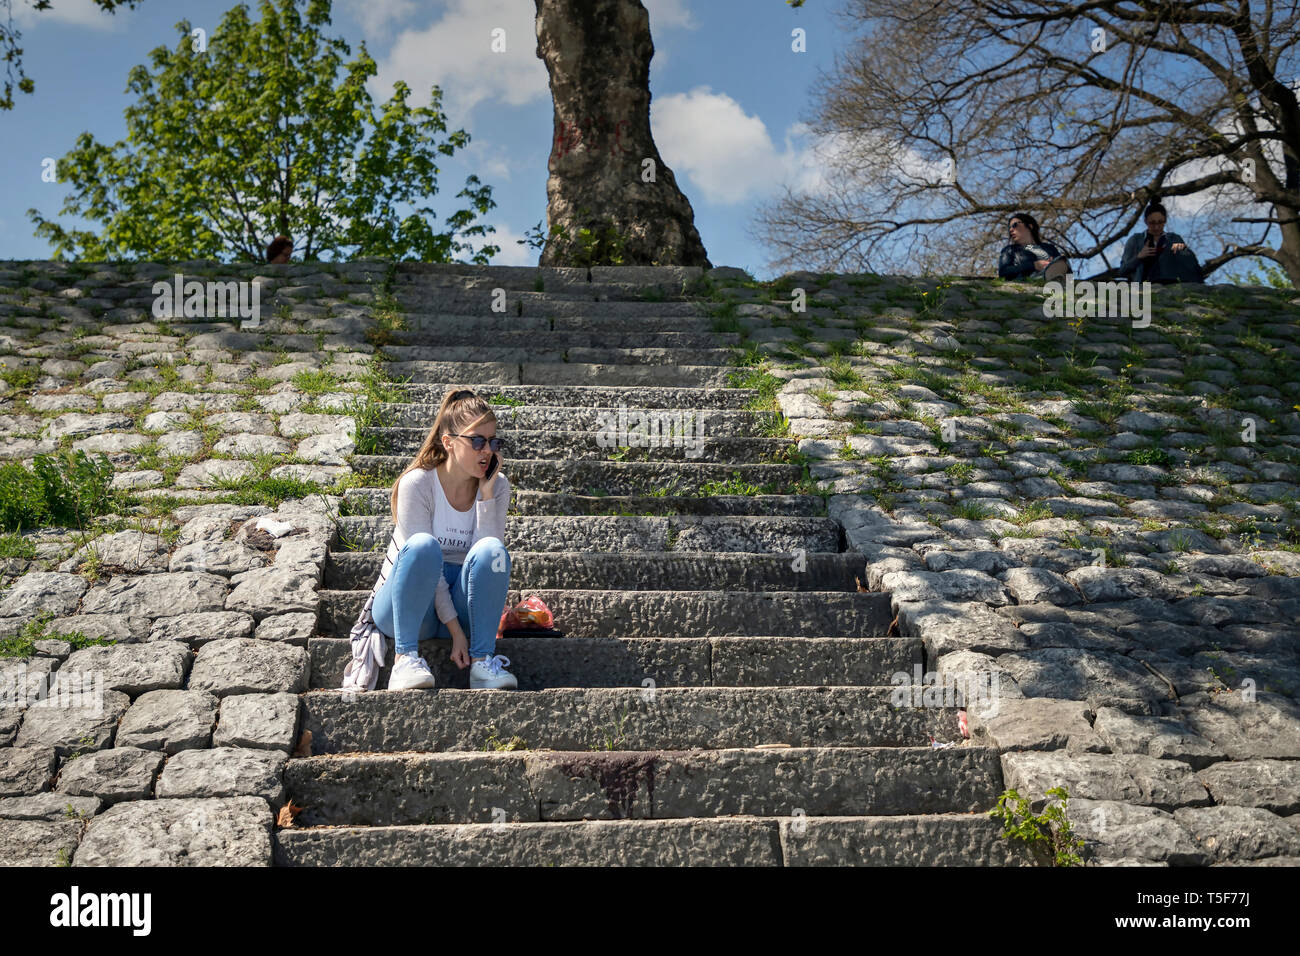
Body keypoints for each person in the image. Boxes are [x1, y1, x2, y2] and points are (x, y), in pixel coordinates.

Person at [345, 388, 517, 691]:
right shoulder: (418, 484)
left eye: (493, 441)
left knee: (493, 551)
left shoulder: (497, 486)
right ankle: (404, 659)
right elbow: (425, 566)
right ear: (449, 442)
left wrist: (486, 496)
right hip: (411, 607)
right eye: (477, 440)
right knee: (424, 546)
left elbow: (487, 558)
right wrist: (455, 631)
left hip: (466, 605)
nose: (487, 450)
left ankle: (482, 663)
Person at [1118, 203, 1203, 283]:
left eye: (1160, 222)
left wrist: (1182, 251)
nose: (1156, 227)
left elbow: (1190, 264)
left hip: (1171, 286)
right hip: (1144, 288)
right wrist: (1139, 257)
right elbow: (1122, 271)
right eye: (1152, 223)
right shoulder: (1135, 240)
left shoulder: (1174, 238)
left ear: (1165, 220)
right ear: (1145, 221)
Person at [998, 212, 1069, 280]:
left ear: (1030, 226)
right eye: (1009, 228)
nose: (1011, 230)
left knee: (1062, 261)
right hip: (1027, 283)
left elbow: (1066, 271)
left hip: (1054, 280)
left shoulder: (1049, 248)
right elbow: (1003, 272)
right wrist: (1034, 265)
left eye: (1014, 225)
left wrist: (1051, 265)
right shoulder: (1010, 250)